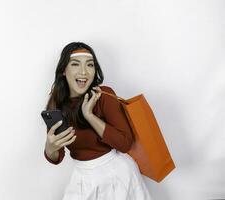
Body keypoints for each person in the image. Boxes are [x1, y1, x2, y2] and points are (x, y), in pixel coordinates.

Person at [43, 42, 152, 200]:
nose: (83, 72)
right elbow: (57, 157)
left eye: (90, 65)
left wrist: (90, 116)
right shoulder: (56, 106)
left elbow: (124, 143)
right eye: (75, 64)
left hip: (117, 175)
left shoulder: (103, 95)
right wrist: (50, 147)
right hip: (82, 176)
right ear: (63, 71)